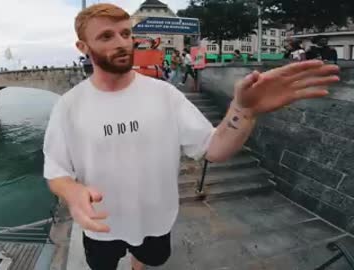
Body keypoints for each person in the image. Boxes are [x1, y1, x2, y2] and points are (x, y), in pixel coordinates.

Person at [43, 4, 339, 270]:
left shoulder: (164, 95)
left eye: (125, 33)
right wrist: (72, 192)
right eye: (106, 36)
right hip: (100, 226)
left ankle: (138, 264)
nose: (121, 43)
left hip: (156, 220)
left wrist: (243, 111)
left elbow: (215, 149)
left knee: (150, 259)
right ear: (83, 46)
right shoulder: (69, 106)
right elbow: (56, 171)